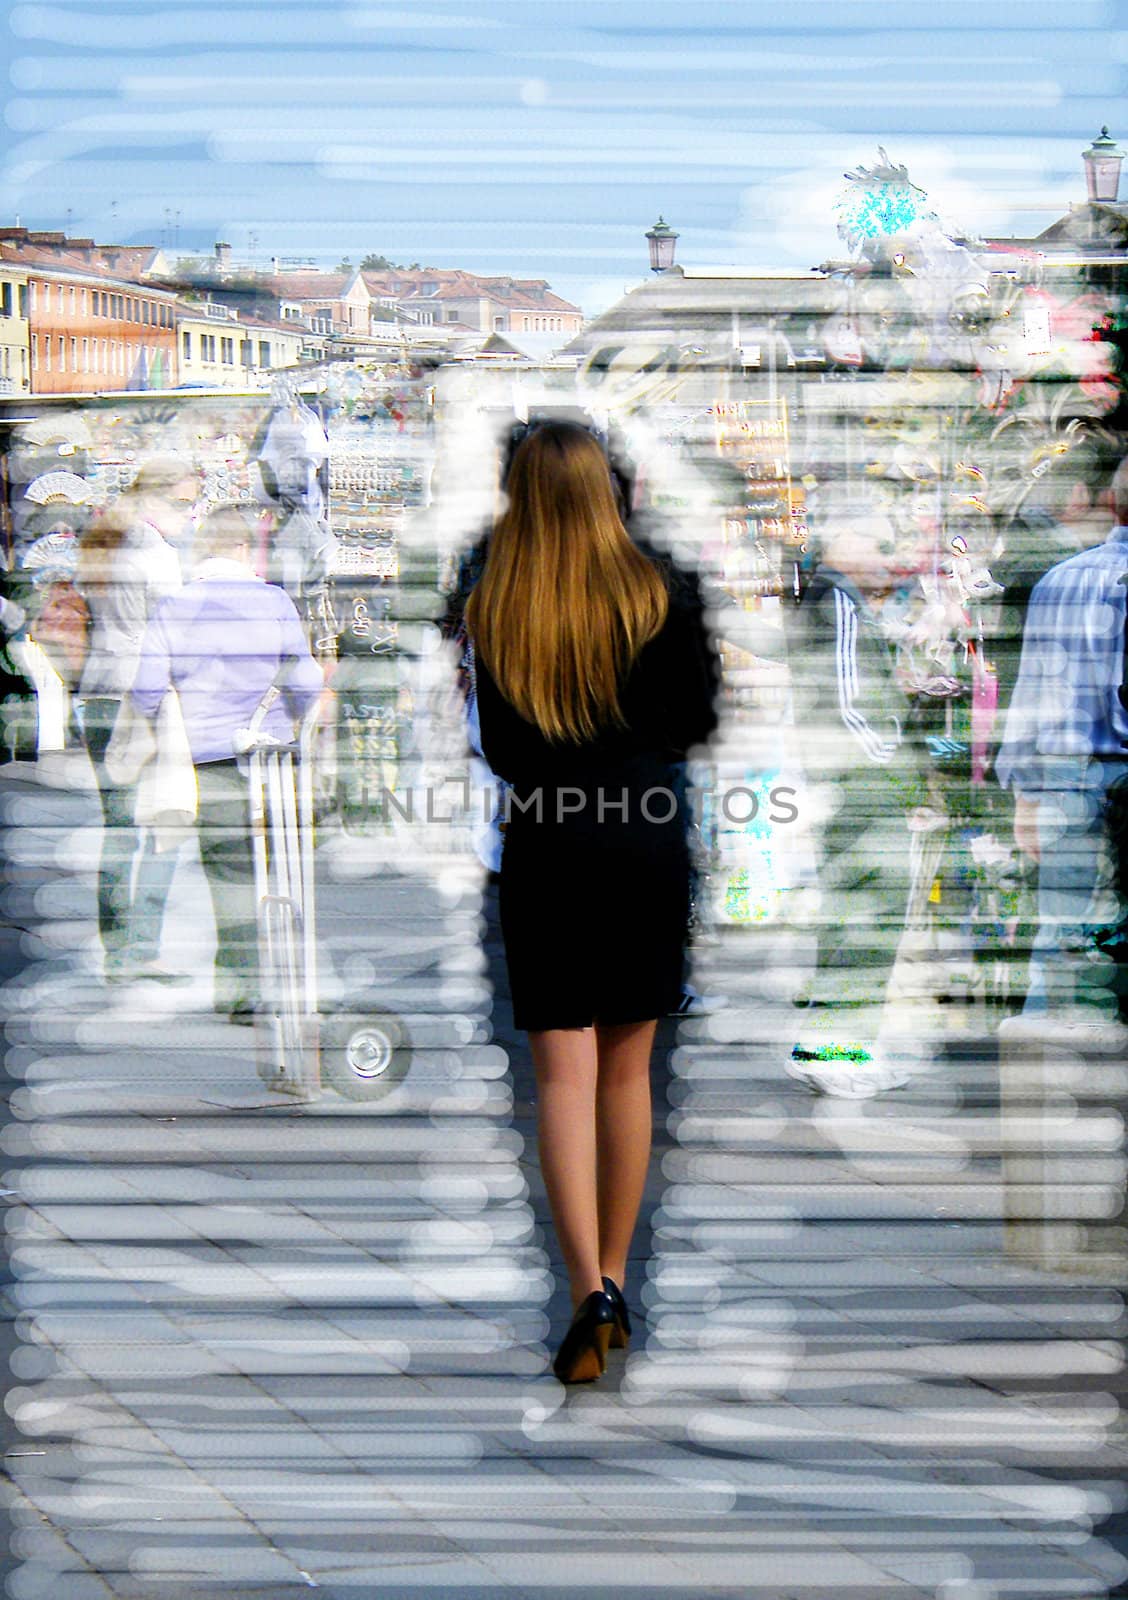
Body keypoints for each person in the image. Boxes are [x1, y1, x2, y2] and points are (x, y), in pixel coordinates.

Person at [466, 421, 719, 1383]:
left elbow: (503, 753)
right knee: (629, 1073)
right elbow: (693, 721)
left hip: (549, 839)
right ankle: (619, 1270)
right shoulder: (664, 590)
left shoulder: (498, 604)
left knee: (561, 1079)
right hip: (646, 832)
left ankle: (587, 1292)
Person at [130, 505, 323, 1022]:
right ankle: (284, 976)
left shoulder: (174, 606)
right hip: (272, 762)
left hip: (207, 764)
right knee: (276, 871)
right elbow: (306, 683)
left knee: (228, 880)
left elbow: (146, 689)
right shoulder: (274, 601)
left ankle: (239, 988)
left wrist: (169, 722)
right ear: (244, 550)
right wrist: (294, 721)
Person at [784, 501, 925, 1098]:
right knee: (868, 923)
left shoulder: (835, 598)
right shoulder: (837, 600)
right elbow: (845, 702)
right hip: (862, 789)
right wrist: (892, 759)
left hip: (852, 786)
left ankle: (832, 1048)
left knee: (855, 923)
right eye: (881, 545)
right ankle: (834, 1052)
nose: (889, 562)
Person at [995, 458, 1128, 1018]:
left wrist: (1024, 794)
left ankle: (1047, 1036)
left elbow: (1037, 699)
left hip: (1064, 773)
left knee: (1062, 921)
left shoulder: (1062, 580)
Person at [76, 498, 183, 982]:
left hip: (98, 695)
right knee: (166, 822)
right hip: (143, 697)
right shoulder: (154, 554)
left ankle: (115, 951)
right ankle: (143, 947)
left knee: (117, 829)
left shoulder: (97, 557)